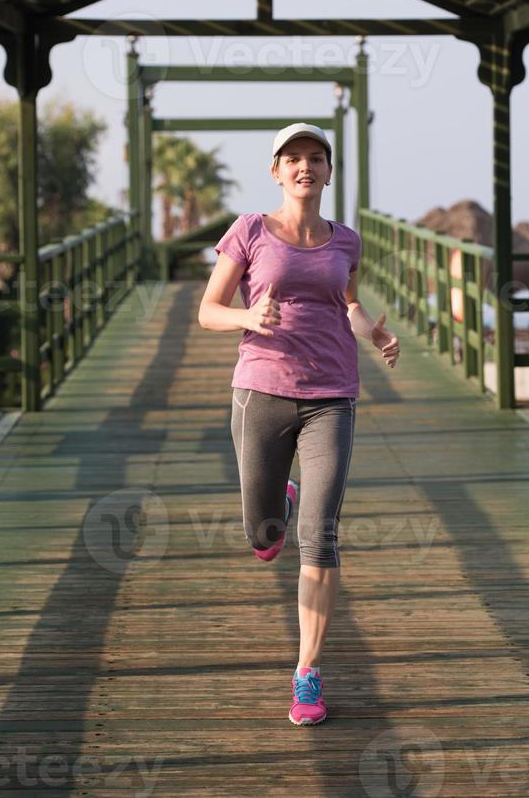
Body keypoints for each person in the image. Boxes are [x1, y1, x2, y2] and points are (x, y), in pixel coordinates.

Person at [197, 122, 400, 726]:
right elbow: (208, 311)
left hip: (332, 395)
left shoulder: (347, 241)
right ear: (276, 171)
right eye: (293, 158)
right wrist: (246, 317)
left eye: (316, 157)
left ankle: (307, 673)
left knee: (322, 535)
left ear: (329, 172)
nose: (304, 166)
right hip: (260, 390)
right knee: (262, 534)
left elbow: (349, 302)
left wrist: (376, 333)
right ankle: (275, 508)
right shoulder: (251, 231)